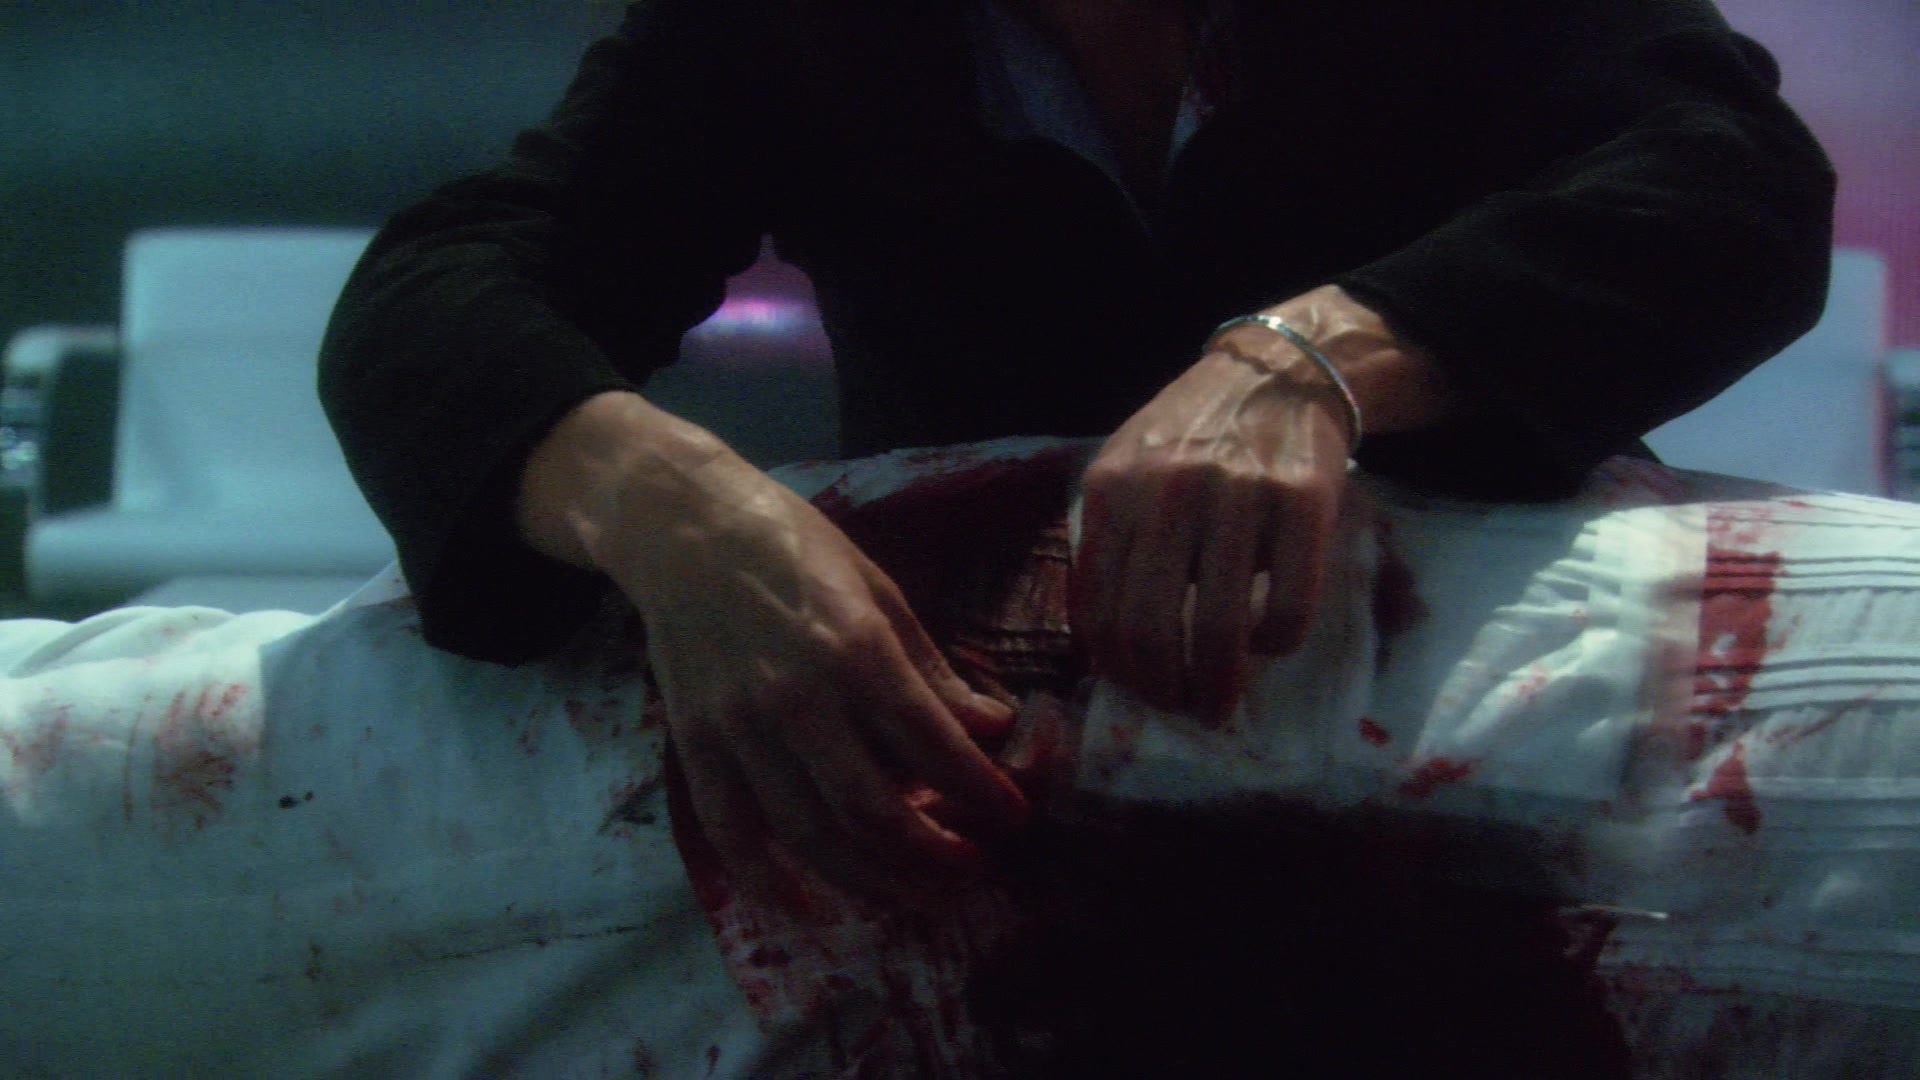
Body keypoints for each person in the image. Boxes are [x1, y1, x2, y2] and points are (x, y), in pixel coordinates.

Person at [318, 0, 1834, 900]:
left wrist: (1317, 359)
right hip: (1002, 797)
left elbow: (1738, 181)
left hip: (1499, 724)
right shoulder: (783, 24)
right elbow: (446, 286)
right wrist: (671, 508)